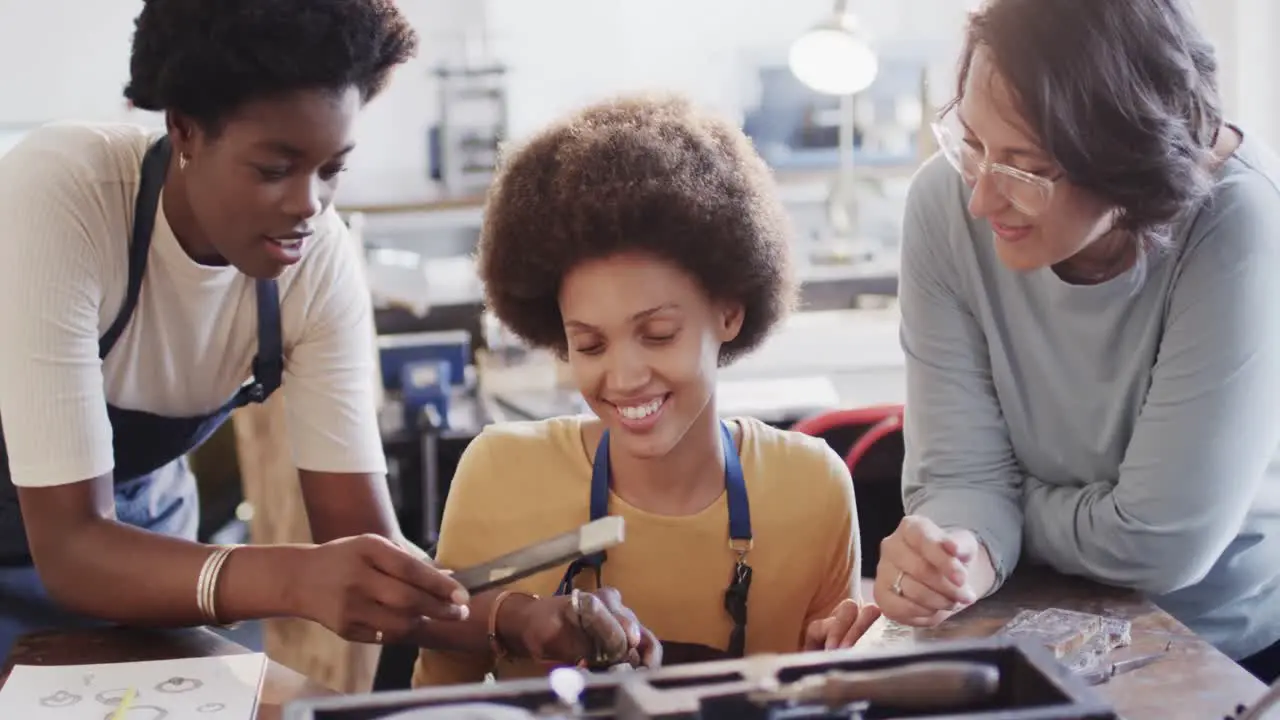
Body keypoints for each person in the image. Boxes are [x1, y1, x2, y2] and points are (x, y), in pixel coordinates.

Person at [0, 0, 471, 659]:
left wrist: (516, 620)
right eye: (274, 169)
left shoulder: (318, 262)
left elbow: (375, 557)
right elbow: (72, 547)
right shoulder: (65, 195)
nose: (309, 204)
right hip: (78, 544)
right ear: (186, 131)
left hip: (138, 553)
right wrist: (295, 577)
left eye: (332, 169)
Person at [412, 94, 880, 686]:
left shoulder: (811, 490)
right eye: (589, 345)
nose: (625, 377)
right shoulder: (499, 474)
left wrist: (839, 675)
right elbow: (440, 702)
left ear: (729, 313)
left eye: (658, 334)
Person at [874, 0, 1280, 683]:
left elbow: (1162, 545)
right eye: (972, 144)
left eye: (1024, 167)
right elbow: (956, 481)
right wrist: (956, 553)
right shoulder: (943, 205)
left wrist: (1004, 500)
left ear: (1129, 157)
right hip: (1025, 629)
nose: (982, 199)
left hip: (1222, 648)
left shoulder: (1238, 224)